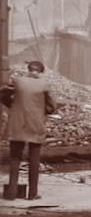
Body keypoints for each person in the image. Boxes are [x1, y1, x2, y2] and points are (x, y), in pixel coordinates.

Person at [3, 60, 55, 200]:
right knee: (34, 160)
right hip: (35, 125)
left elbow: (2, 95)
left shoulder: (17, 80)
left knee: (15, 158)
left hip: (17, 123)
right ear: (40, 71)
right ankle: (32, 194)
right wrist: (41, 110)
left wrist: (13, 106)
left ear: (29, 69)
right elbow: (52, 107)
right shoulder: (44, 84)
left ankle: (11, 193)